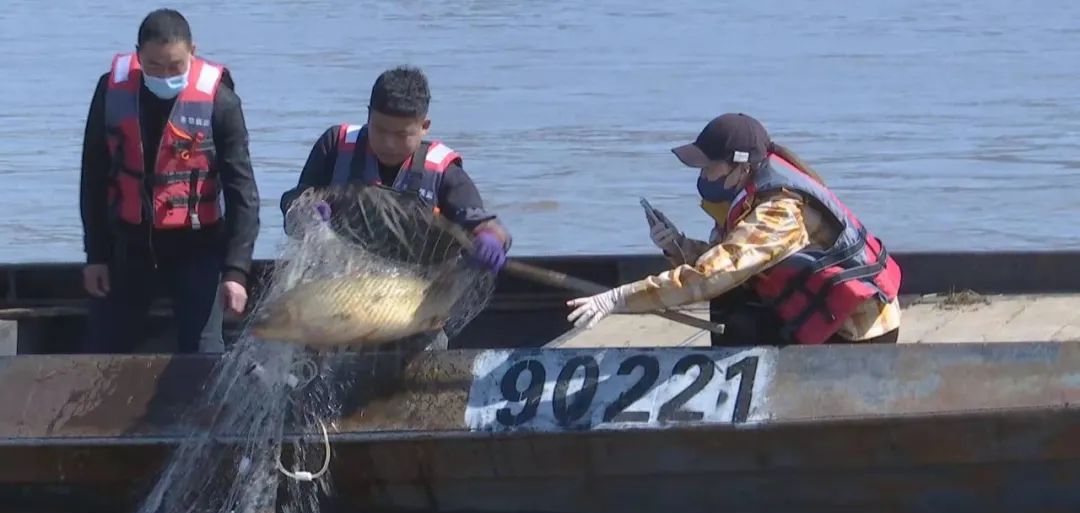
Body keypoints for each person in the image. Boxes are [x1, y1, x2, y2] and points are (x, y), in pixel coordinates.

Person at [567, 113, 902, 345]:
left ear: (741, 167)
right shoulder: (751, 191)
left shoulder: (778, 212)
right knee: (731, 298)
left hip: (855, 330)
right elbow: (725, 257)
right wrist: (678, 246)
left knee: (731, 306)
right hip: (821, 308)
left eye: (709, 167)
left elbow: (709, 277)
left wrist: (618, 298)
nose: (703, 176)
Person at [278, 66, 512, 352]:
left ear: (424, 126)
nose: (389, 143)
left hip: (410, 311)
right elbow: (294, 201)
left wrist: (490, 241)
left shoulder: (443, 171)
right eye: (380, 129)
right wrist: (305, 211)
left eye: (402, 134)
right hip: (338, 302)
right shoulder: (334, 146)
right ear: (368, 115)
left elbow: (486, 225)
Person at [79, 9, 261, 354]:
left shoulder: (221, 102)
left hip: (197, 248)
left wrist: (236, 272)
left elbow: (244, 195)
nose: (165, 75)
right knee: (103, 351)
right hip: (127, 249)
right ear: (138, 55)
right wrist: (95, 256)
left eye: (176, 66)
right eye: (154, 66)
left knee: (205, 354)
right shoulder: (111, 92)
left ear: (193, 50)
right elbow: (93, 177)